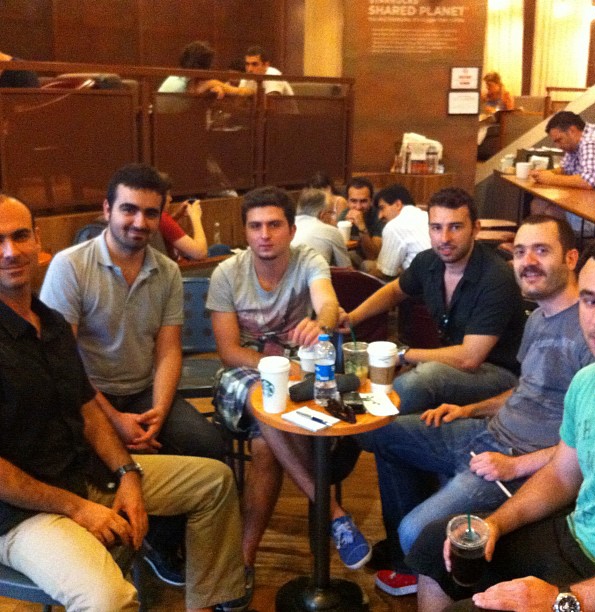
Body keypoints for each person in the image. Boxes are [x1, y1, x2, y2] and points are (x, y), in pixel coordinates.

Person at [0, 194, 246, 612]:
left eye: (20, 236)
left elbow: (86, 409)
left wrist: (128, 473)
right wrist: (78, 508)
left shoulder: (50, 323)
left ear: (37, 239)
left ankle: (206, 603)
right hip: (22, 513)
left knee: (215, 482)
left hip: (83, 474)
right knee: (108, 598)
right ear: (107, 211)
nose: (10, 251)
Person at [360, 215, 593, 596]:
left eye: (541, 250)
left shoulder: (590, 331)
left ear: (571, 258)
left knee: (413, 530)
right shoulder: (536, 319)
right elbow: (523, 391)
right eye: (520, 252)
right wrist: (468, 410)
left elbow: (585, 444)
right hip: (486, 433)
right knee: (380, 430)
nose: (528, 261)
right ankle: (418, 558)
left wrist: (515, 464)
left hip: (521, 462)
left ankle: (424, 551)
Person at [39, 164, 229, 588]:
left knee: (207, 446)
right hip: (86, 398)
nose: (139, 222)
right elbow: (62, 363)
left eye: (149, 212)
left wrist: (159, 409)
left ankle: (161, 542)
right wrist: (113, 419)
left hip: (144, 392)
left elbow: (168, 349)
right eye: (128, 209)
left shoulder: (166, 272)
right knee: (98, 458)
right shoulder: (70, 267)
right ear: (107, 209)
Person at [411, 229, 595, 612]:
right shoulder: (588, 382)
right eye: (590, 300)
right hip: (571, 538)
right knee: (435, 543)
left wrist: (564, 600)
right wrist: (496, 525)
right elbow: (562, 476)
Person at [208, 186, 371, 577]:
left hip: (294, 375)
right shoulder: (227, 274)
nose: (265, 234)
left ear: (292, 230)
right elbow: (229, 351)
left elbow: (327, 302)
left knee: (265, 449)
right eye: (255, 226)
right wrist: (280, 368)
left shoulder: (308, 259)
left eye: (274, 225)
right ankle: (330, 510)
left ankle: (244, 562)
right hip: (241, 377)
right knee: (264, 395)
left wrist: (322, 323)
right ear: (245, 232)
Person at [343, 187, 525, 415]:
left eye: (455, 227)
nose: (444, 238)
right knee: (373, 379)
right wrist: (352, 318)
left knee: (421, 379)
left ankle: (368, 426)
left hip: (499, 376)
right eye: (436, 228)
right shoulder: (428, 261)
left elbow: (469, 358)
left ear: (475, 229)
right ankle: (358, 432)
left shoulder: (496, 278)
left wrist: (403, 354)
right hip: (454, 364)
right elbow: (393, 291)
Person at [531, 111, 595, 190]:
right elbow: (565, 169)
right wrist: (546, 173)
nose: (558, 146)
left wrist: (551, 179)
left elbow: (589, 181)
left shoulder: (591, 141)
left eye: (559, 140)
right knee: (540, 202)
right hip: (591, 195)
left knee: (540, 203)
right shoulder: (575, 142)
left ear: (572, 131)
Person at [369, 183, 430, 279]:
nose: (380, 216)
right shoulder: (426, 215)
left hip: (420, 286)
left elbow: (385, 272)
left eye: (382, 208)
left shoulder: (394, 226)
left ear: (398, 204)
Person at [158, 40, 250, 99]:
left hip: (161, 124)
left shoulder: (173, 77)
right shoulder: (194, 83)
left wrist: (215, 87)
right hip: (175, 124)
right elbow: (241, 92)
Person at [291, 188, 352, 267]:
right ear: (322, 215)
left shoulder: (288, 225)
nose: (333, 218)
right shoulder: (331, 232)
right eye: (331, 213)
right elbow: (346, 270)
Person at [337, 176, 385, 269]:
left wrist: (362, 227)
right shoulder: (344, 216)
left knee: (366, 265)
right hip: (352, 256)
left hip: (375, 260)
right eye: (353, 201)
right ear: (347, 201)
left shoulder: (379, 216)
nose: (358, 207)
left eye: (363, 201)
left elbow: (373, 256)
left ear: (371, 201)